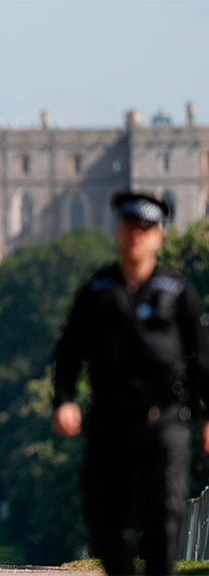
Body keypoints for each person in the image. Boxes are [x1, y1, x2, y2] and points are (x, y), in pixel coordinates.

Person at [53, 190, 209, 576]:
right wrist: (64, 399)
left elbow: (204, 358)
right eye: (130, 227)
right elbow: (69, 352)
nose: (137, 234)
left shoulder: (178, 291)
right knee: (104, 517)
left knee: (164, 514)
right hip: (110, 418)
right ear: (118, 232)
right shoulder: (96, 291)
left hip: (166, 419)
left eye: (146, 228)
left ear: (160, 236)